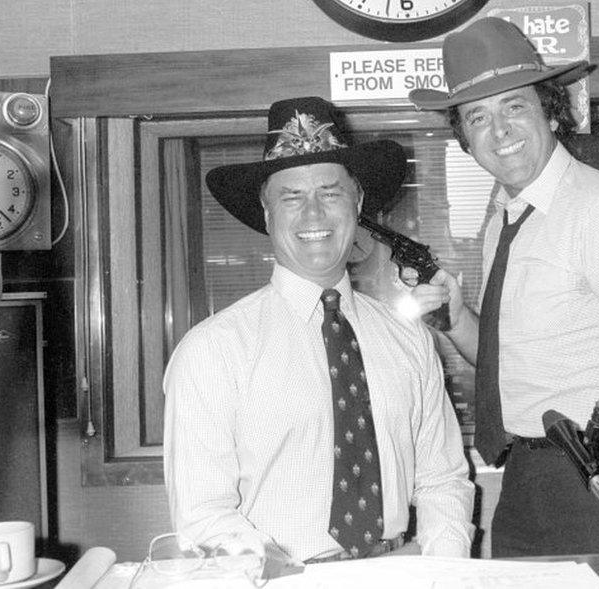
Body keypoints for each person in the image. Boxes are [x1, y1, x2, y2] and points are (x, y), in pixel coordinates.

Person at [408, 17, 599, 556]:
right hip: (526, 481)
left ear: (551, 111)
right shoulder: (504, 218)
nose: (500, 131)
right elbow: (512, 364)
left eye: (514, 106)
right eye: (478, 117)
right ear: (465, 139)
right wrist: (457, 320)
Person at [163, 97, 475, 565]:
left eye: (330, 193)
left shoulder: (410, 340)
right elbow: (203, 513)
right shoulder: (211, 351)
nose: (313, 215)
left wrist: (444, 571)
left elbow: (443, 479)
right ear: (266, 213)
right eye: (292, 196)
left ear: (358, 205)